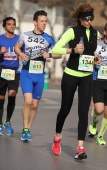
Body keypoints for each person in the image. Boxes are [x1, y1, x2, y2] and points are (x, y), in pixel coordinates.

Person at [51, 3, 101, 160]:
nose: (89, 21)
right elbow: (55, 49)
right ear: (80, 19)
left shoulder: (95, 33)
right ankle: (57, 137)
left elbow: (91, 52)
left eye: (91, 18)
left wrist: (95, 59)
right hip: (71, 75)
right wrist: (71, 50)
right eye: (86, 18)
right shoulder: (72, 31)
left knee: (83, 111)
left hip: (86, 75)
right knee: (65, 109)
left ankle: (80, 147)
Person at [14, 10, 61, 142]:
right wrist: (21, 54)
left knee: (34, 105)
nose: (44, 23)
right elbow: (17, 47)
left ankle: (28, 128)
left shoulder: (49, 38)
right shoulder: (25, 35)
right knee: (28, 102)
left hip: (40, 75)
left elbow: (59, 54)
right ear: (35, 22)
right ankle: (25, 129)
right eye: (42, 21)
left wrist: (49, 55)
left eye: (46, 21)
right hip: (27, 74)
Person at [0, 17, 20, 136]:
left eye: (13, 24)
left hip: (14, 71)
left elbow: (24, 51)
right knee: (1, 99)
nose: (12, 26)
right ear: (4, 27)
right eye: (9, 24)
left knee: (12, 94)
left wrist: (23, 55)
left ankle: (7, 121)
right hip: (2, 71)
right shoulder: (0, 39)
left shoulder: (19, 39)